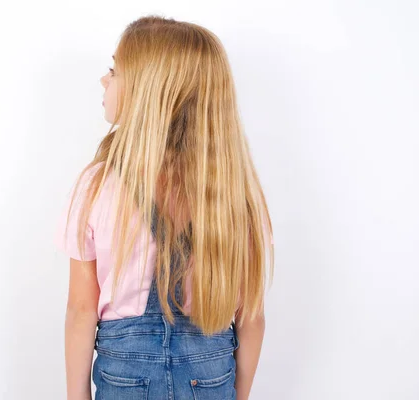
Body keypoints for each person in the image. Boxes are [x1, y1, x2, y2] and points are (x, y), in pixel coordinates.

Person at [54, 15, 274, 400]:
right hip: (209, 376)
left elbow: (80, 312)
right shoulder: (235, 195)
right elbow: (251, 318)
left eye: (114, 70)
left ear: (149, 91)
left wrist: (76, 396)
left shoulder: (96, 185)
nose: (105, 80)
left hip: (125, 378)